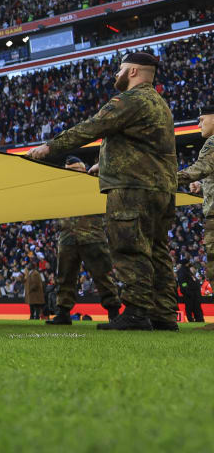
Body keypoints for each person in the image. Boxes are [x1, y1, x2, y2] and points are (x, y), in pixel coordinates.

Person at [28, 51, 178, 331]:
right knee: (157, 251)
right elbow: (145, 148)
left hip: (132, 189)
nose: (116, 74)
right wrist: (103, 165)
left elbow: (93, 126)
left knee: (131, 249)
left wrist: (51, 147)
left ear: (132, 71)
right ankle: (164, 315)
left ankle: (135, 313)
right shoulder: (160, 103)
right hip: (161, 188)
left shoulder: (129, 100)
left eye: (120, 69)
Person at [46, 156, 122, 325]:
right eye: (68, 170)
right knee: (64, 277)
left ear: (83, 169)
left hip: (92, 236)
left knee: (102, 275)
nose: (71, 173)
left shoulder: (94, 182)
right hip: (67, 238)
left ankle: (114, 313)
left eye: (75, 170)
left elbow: (113, 171)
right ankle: (63, 313)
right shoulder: (60, 188)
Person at [175, 105, 213, 331]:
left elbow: (199, 168)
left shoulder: (212, 142)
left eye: (201, 119)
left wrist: (165, 178)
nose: (198, 124)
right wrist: (203, 183)